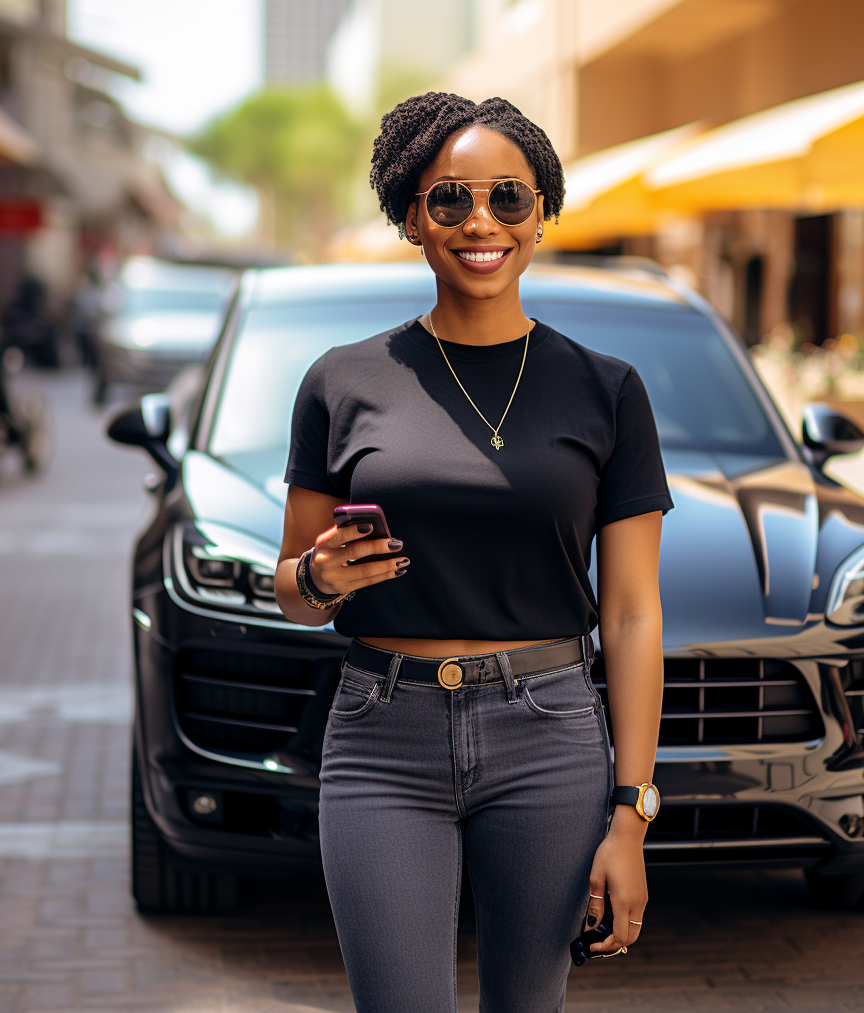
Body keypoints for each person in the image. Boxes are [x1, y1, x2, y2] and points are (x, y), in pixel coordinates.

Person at [273, 92, 671, 1013]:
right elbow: (292, 586)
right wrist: (320, 578)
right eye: (449, 200)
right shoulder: (343, 381)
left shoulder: (607, 390)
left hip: (550, 735)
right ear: (412, 218)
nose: (479, 221)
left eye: (508, 197)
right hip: (381, 736)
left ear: (543, 213)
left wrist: (632, 813)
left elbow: (635, 612)